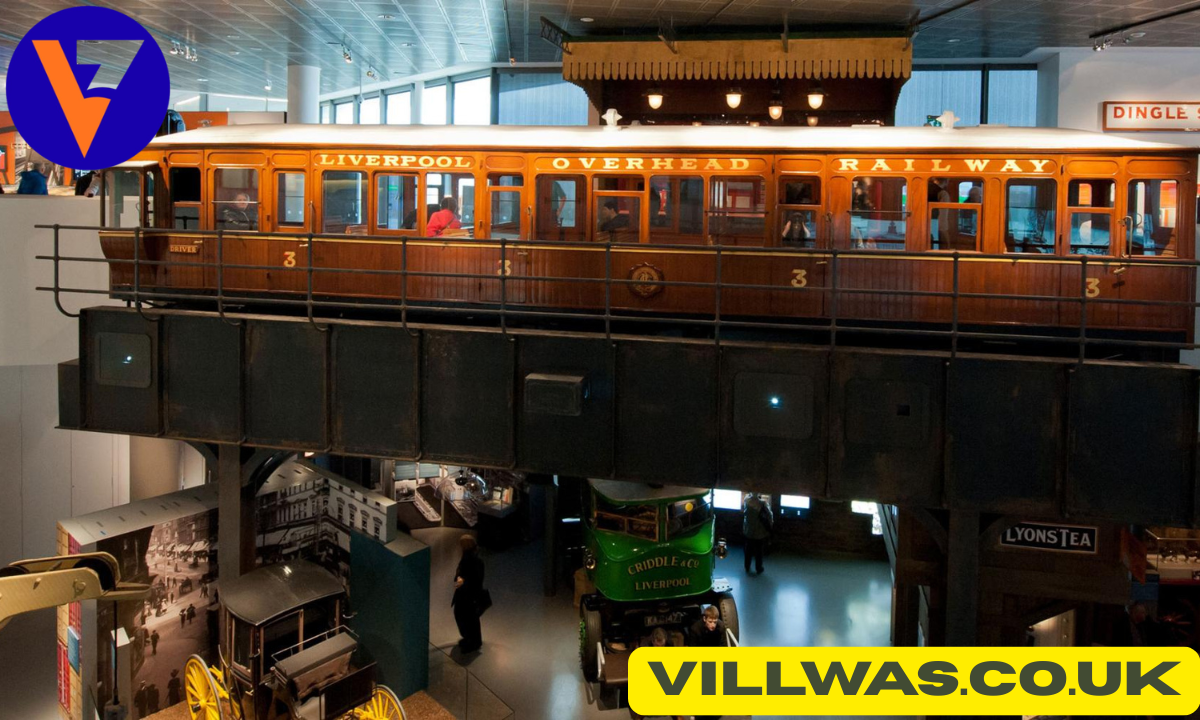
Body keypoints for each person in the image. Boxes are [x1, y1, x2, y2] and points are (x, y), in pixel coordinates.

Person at [452, 534, 485, 653]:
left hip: (466, 596)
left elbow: (461, 578)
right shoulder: (475, 560)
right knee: (470, 619)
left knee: (465, 618)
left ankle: (472, 641)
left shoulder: (468, 560)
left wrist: (458, 584)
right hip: (470, 595)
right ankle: (472, 640)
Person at [742, 493, 773, 574]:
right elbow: (769, 516)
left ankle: (747, 566)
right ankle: (758, 568)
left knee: (748, 550)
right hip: (759, 532)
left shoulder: (746, 500)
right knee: (759, 551)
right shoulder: (762, 503)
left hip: (748, 530)